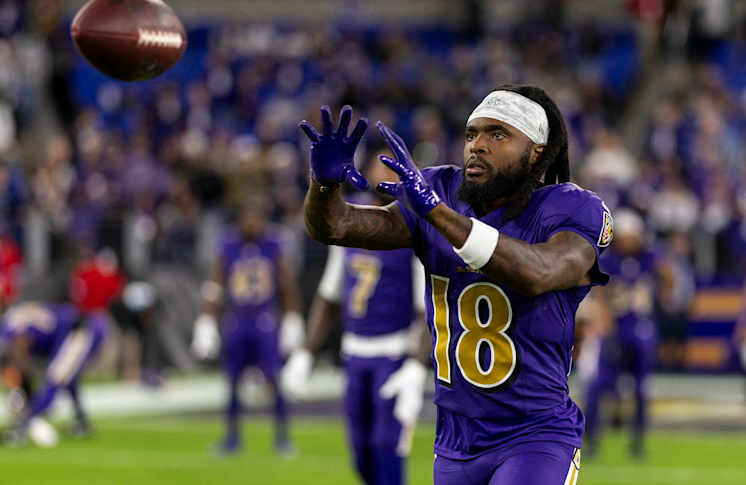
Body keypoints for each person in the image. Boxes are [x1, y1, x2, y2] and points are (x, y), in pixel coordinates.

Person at [299, 85, 612, 485]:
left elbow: (538, 272)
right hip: (454, 440)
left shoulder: (571, 207)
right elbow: (336, 226)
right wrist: (323, 186)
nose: (477, 146)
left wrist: (438, 214)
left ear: (537, 151)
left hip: (534, 433)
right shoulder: (442, 191)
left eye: (498, 134)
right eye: (471, 134)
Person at [281, 152, 430, 485]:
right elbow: (329, 295)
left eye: (393, 165)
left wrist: (416, 366)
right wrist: (305, 352)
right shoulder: (349, 217)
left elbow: (429, 306)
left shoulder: (415, 223)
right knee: (361, 452)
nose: (385, 172)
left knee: (387, 447)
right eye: (381, 163)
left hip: (393, 353)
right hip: (355, 352)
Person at [191, 197, 304, 455]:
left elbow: (287, 285)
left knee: (275, 378)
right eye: (248, 217)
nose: (252, 223)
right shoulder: (228, 244)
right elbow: (215, 283)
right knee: (231, 380)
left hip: (264, 320)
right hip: (237, 318)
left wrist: (293, 317)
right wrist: (206, 320)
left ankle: (283, 438)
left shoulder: (274, 244)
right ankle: (232, 438)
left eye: (256, 217)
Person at [582, 208, 673, 459]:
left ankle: (638, 441)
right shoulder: (609, 260)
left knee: (641, 388)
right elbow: (598, 293)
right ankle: (592, 439)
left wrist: (665, 299)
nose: (630, 240)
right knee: (599, 385)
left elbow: (668, 274)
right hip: (616, 329)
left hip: (641, 329)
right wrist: (605, 320)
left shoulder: (650, 256)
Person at [0, 301, 108, 447]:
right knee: (67, 375)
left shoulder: (16, 330)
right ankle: (81, 420)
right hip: (67, 330)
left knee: (57, 376)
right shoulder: (9, 327)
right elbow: (13, 364)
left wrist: (23, 400)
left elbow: (20, 358)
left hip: (81, 329)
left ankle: (23, 426)